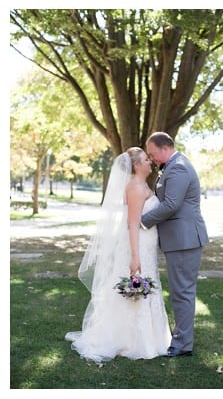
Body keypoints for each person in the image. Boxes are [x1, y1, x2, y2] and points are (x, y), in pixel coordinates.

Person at [65, 147, 171, 362]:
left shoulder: (142, 185)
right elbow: (132, 224)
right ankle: (131, 340)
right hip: (137, 245)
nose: (150, 161)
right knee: (136, 284)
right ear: (136, 166)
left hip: (146, 245)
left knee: (147, 286)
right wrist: (135, 257)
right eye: (145, 159)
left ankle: (153, 337)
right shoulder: (134, 187)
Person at [141, 132, 209, 358]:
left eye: (152, 154)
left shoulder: (178, 167)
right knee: (182, 291)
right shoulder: (173, 166)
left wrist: (143, 221)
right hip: (180, 239)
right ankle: (181, 339)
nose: (152, 159)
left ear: (164, 148)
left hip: (184, 240)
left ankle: (182, 345)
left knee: (183, 293)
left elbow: (171, 204)